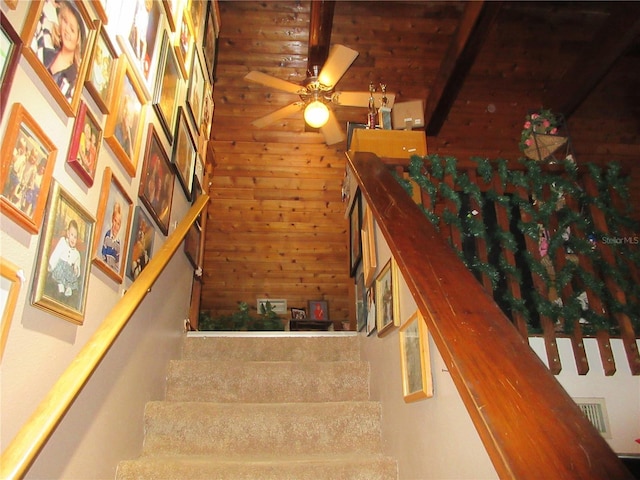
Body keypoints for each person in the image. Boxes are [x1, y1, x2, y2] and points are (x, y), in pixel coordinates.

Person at [32, 1, 86, 102]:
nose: (66, 30)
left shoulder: (73, 82)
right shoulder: (45, 39)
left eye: (72, 29)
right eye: (65, 21)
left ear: (78, 40)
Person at [48, 219, 81, 297]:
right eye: (72, 235)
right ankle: (61, 284)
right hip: (60, 266)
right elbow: (56, 253)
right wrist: (51, 265)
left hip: (68, 271)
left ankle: (68, 287)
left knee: (71, 276)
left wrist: (76, 270)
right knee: (60, 270)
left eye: (75, 237)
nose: (73, 239)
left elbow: (77, 265)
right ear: (68, 234)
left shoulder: (77, 254)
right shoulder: (62, 242)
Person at [101, 201, 122, 271]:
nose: (116, 226)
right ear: (112, 220)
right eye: (115, 221)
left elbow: (117, 261)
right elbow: (103, 254)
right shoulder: (107, 235)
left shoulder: (118, 242)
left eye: (118, 224)